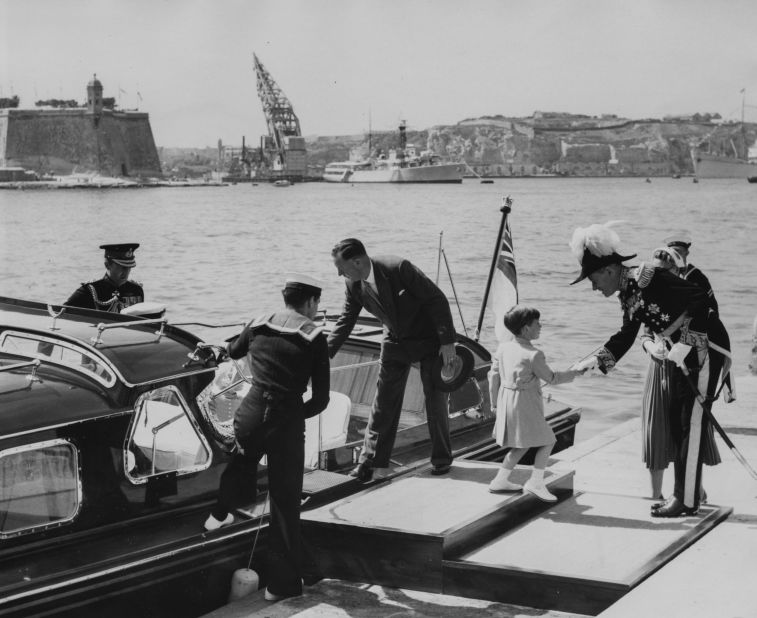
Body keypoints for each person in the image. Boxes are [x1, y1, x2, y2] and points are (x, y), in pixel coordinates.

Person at [569, 223, 733, 518]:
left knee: (692, 425)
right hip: (686, 355)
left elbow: (700, 299)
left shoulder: (647, 278)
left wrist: (685, 342)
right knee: (683, 425)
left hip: (706, 349)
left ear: (608, 270)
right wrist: (596, 361)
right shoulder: (627, 293)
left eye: (593, 280)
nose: (594, 287)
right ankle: (687, 496)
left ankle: (686, 501)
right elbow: (626, 335)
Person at [204, 273, 330, 602]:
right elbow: (321, 400)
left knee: (243, 461)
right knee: (285, 505)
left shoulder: (258, 322)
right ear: (311, 303)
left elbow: (232, 350)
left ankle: (217, 516)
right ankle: (282, 585)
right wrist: (290, 417)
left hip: (250, 412)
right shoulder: (314, 335)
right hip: (285, 419)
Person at [327, 238, 457, 481]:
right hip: (394, 340)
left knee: (435, 400)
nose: (338, 273)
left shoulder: (398, 267)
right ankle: (369, 462)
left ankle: (441, 459)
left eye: (340, 267)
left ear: (357, 261)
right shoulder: (352, 283)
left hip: (427, 340)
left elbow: (436, 299)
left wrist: (447, 342)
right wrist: (324, 355)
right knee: (382, 404)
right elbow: (346, 319)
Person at [640, 247, 720, 502]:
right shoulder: (649, 297)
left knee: (688, 430)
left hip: (687, 370)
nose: (658, 277)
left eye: (664, 272)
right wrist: (651, 347)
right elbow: (644, 333)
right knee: (658, 428)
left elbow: (706, 332)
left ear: (676, 272)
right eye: (655, 272)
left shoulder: (690, 295)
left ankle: (692, 489)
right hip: (659, 368)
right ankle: (655, 494)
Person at [487, 306, 584, 502]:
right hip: (524, 403)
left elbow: (493, 376)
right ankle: (536, 482)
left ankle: (500, 480)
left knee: (522, 444)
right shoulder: (533, 354)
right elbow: (552, 378)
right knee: (548, 440)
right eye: (536, 323)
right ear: (525, 329)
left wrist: (493, 404)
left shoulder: (504, 347)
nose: (540, 326)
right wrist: (575, 373)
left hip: (506, 400)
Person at [65, 243, 144, 312]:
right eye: (122, 267)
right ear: (107, 265)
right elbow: (63, 314)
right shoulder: (89, 291)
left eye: (129, 267)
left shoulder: (136, 290)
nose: (126, 272)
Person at [664, 230, 719, 316]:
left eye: (678, 251)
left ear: (687, 253)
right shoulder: (664, 273)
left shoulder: (696, 276)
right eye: (672, 252)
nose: (675, 255)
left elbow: (711, 304)